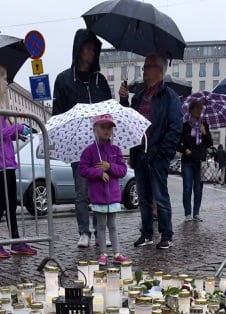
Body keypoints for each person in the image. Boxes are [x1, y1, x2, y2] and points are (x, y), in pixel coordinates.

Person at [52, 30, 112, 249]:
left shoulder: (100, 81)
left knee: (100, 190)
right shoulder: (64, 80)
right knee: (82, 191)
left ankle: (99, 231)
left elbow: (109, 111)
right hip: (78, 146)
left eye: (93, 49)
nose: (90, 52)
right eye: (86, 48)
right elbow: (58, 114)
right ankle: (83, 232)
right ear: (78, 50)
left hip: (99, 146)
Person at [119, 53, 181, 251]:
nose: (144, 70)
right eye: (144, 66)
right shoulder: (139, 95)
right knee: (144, 197)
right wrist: (123, 100)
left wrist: (163, 153)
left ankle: (166, 234)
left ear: (160, 71)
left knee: (160, 196)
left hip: (157, 155)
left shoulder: (169, 96)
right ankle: (146, 233)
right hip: (140, 153)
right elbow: (129, 121)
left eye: (148, 66)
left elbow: (175, 128)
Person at [0, 63, 36, 259]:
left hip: (8, 160)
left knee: (11, 202)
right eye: (3, 78)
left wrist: (16, 134)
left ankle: (15, 240)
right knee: (1, 202)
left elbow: (2, 134)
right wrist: (16, 130)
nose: (7, 82)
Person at [77, 114, 129, 265]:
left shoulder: (115, 150)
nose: (106, 130)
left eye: (109, 127)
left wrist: (109, 167)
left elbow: (122, 170)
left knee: (112, 225)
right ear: (95, 129)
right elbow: (83, 170)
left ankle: (117, 252)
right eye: (103, 127)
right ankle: (103, 253)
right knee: (100, 225)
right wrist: (99, 173)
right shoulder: (90, 151)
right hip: (98, 196)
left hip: (112, 195)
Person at [178, 100, 212, 221]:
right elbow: (177, 143)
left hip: (200, 161)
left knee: (198, 188)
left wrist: (204, 132)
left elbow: (210, 143)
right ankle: (188, 213)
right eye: (196, 109)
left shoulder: (204, 125)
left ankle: (196, 213)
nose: (199, 111)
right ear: (191, 110)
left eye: (200, 109)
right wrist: (185, 150)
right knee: (187, 187)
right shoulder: (185, 126)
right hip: (187, 161)